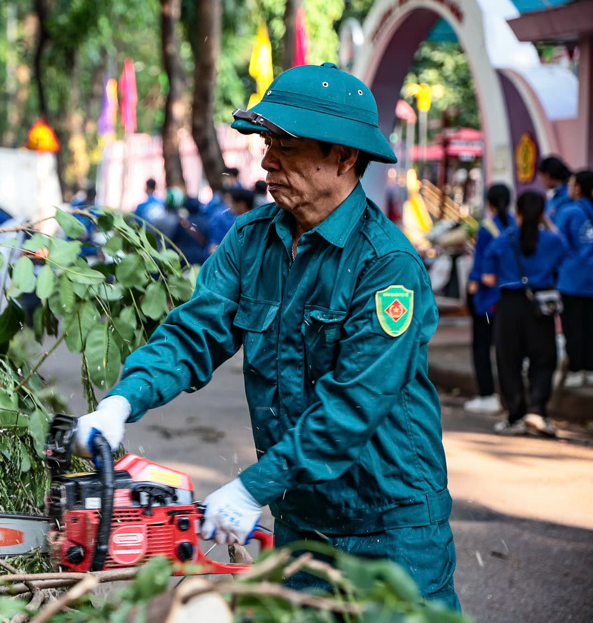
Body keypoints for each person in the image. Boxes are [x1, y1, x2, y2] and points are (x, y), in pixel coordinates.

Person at [73, 63, 458, 609]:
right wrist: (120, 401)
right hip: (300, 517)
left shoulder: (387, 266)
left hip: (390, 525)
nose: (267, 158)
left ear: (345, 157)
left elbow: (353, 406)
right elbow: (195, 333)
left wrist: (253, 486)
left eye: (287, 145)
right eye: (266, 141)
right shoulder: (252, 239)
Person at [482, 191, 566, 436]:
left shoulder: (502, 239)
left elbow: (488, 278)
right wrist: (546, 222)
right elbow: (564, 248)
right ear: (541, 213)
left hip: (509, 305)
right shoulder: (551, 240)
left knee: (509, 361)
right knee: (544, 359)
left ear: (516, 211)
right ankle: (537, 412)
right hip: (541, 305)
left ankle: (516, 415)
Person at [463, 184, 514, 413]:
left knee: (481, 348)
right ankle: (510, 397)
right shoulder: (515, 225)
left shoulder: (486, 228)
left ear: (490, 203)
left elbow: (480, 263)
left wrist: (472, 284)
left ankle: (487, 396)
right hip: (508, 299)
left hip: (486, 301)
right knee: (505, 349)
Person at [555, 170, 593, 387]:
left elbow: (558, 244)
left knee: (573, 327)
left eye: (571, 183)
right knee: (590, 326)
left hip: (572, 280)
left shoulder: (569, 211)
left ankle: (576, 369)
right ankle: (589, 368)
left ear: (578, 188)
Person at [538, 156, 572, 222]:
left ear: (547, 175)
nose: (541, 180)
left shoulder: (569, 195)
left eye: (541, 176)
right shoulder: (554, 196)